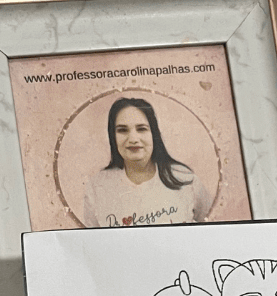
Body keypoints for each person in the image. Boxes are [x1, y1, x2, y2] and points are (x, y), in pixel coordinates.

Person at [82, 97, 210, 227]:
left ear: (154, 134)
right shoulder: (97, 187)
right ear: (113, 136)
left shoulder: (185, 179)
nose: (133, 139)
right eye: (122, 130)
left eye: (141, 129)